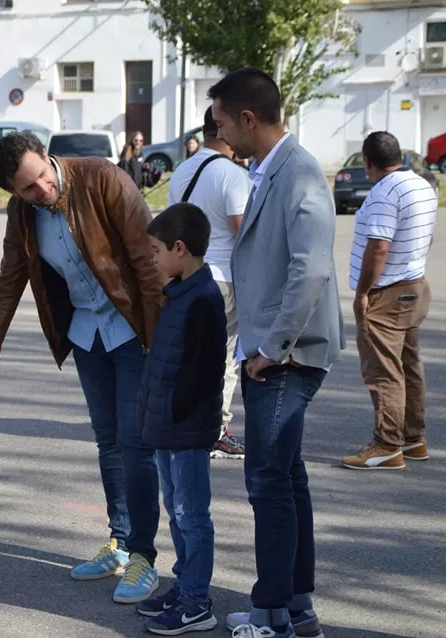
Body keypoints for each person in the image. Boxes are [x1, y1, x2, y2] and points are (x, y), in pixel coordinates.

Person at [0, 131, 165, 605]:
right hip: (87, 334)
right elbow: (8, 283)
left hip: (132, 329)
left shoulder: (104, 178)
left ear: (47, 156)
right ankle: (121, 543)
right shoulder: (21, 214)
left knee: (135, 442)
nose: (42, 191)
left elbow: (149, 262)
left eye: (42, 177)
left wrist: (160, 338)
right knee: (108, 440)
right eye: (27, 188)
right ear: (11, 192)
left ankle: (144, 556)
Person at [208, 67, 344, 638]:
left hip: (286, 355)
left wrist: (270, 346)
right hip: (273, 350)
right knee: (286, 479)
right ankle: (294, 609)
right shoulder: (268, 169)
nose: (216, 134)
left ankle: (272, 617)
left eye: (220, 123)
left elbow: (309, 270)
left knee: (268, 482)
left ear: (247, 118)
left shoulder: (300, 172)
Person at [137, 203, 225, 635]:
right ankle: (183, 584)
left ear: (179, 248)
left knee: (193, 515)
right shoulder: (177, 293)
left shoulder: (203, 299)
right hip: (167, 429)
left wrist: (173, 415)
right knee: (176, 510)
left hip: (185, 431)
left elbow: (204, 373)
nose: (152, 259)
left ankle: (197, 601)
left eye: (156, 251)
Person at [340, 132, 437, 470]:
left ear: (368, 162)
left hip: (388, 291)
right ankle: (413, 439)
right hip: (414, 285)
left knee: (384, 371)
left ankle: (387, 444)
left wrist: (363, 292)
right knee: (409, 365)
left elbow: (378, 247)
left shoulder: (384, 191)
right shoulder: (422, 185)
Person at [167, 107, 252, 460]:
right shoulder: (231, 176)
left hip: (187, 278)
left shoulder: (182, 171)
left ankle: (189, 421)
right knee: (224, 359)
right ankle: (216, 431)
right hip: (223, 281)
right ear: (224, 128)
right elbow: (244, 233)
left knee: (192, 357)